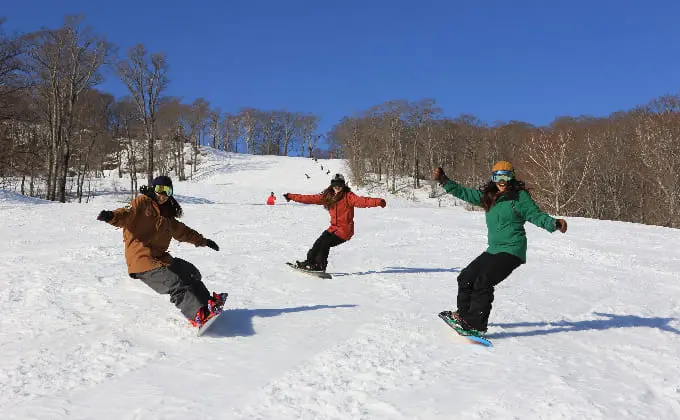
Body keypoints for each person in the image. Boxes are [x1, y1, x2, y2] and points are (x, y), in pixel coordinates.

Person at [433, 161, 567, 336]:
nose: (502, 181)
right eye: (498, 177)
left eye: (506, 176)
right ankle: (464, 317)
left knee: (483, 281)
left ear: (512, 177)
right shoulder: (489, 196)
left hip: (512, 250)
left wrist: (554, 223)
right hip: (494, 249)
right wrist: (444, 180)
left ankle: (476, 325)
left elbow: (535, 215)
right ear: (493, 178)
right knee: (466, 277)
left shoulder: (519, 197)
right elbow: (464, 193)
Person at [96, 175, 227, 328]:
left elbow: (184, 232)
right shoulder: (142, 203)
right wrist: (111, 216)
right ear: (153, 188)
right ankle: (197, 315)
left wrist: (204, 241)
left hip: (160, 258)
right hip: (142, 260)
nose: (162, 195)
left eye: (167, 191)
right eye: (159, 189)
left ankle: (206, 305)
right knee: (175, 283)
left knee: (189, 272)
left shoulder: (167, 218)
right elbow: (126, 214)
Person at [283, 173, 386, 272]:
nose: (337, 187)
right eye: (335, 185)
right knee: (318, 243)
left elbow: (362, 201)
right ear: (331, 185)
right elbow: (310, 198)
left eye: (340, 185)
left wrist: (378, 201)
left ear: (343, 185)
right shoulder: (328, 196)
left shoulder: (348, 196)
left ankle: (320, 267)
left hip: (345, 231)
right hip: (333, 228)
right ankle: (309, 262)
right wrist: (291, 196)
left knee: (324, 244)